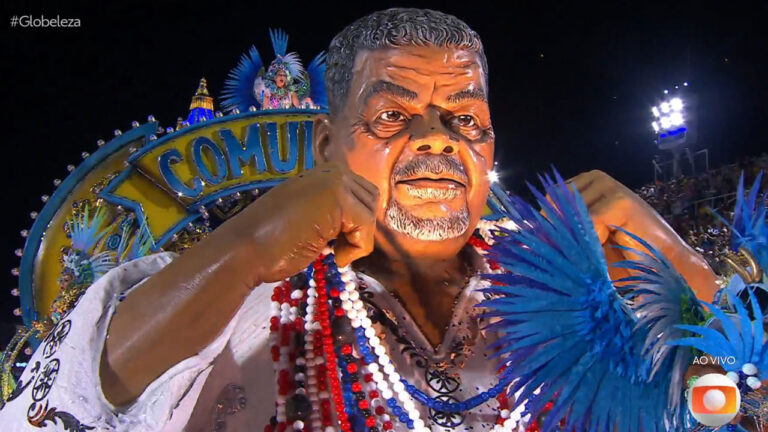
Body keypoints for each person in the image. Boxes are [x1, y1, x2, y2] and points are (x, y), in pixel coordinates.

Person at [0, 8, 720, 432]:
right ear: (325, 146)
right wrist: (243, 250)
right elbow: (56, 409)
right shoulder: (243, 291)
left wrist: (686, 278)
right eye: (393, 114)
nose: (438, 137)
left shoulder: (568, 292)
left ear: (491, 143)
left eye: (464, 117)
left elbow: (731, 404)